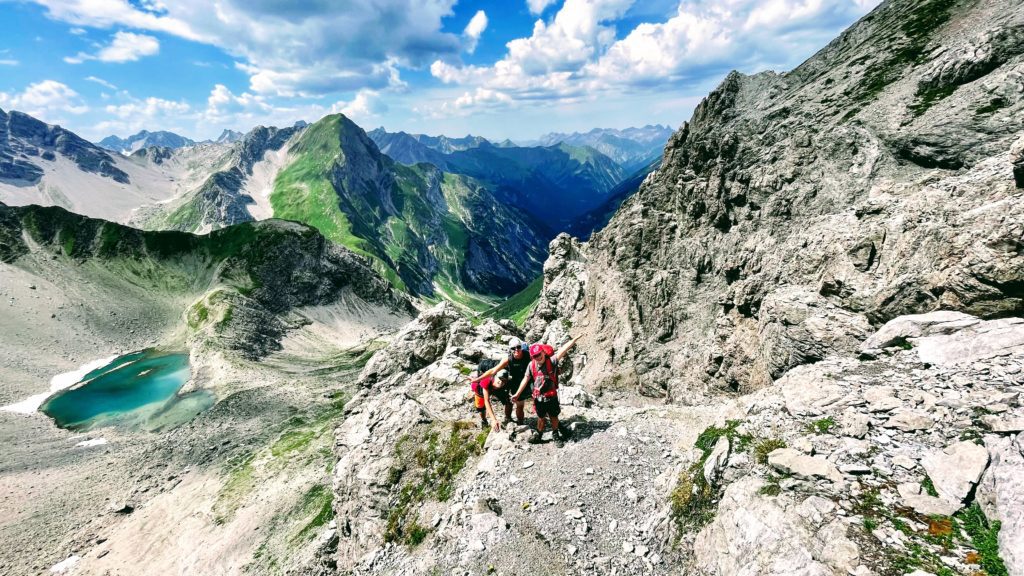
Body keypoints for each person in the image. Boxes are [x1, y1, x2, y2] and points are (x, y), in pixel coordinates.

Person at [511, 335, 582, 447]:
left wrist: (574, 340)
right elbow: (526, 379)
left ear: (543, 352)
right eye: (535, 356)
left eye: (539, 354)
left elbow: (563, 350)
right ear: (532, 357)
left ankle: (555, 435)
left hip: (551, 396)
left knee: (553, 416)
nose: (538, 357)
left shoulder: (552, 361)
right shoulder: (531, 365)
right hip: (538, 397)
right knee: (541, 417)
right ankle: (539, 435)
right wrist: (517, 394)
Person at [471, 337, 532, 424]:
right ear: (510, 350)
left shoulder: (528, 356)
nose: (516, 350)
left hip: (514, 379)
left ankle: (509, 419)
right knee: (480, 404)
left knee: (509, 401)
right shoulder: (486, 381)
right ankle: (484, 420)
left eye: (518, 347)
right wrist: (477, 379)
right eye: (513, 348)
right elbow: (486, 400)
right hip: (491, 379)